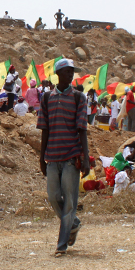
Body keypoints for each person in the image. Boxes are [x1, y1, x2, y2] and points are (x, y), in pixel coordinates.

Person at [37, 58, 90, 255]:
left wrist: (85, 158)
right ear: (58, 74)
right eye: (68, 72)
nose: (71, 75)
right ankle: (73, 224)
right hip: (52, 156)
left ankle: (61, 245)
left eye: (72, 72)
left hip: (71, 156)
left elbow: (82, 129)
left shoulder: (79, 97)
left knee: (69, 202)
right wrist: (41, 158)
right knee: (53, 197)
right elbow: (44, 129)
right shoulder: (46, 98)